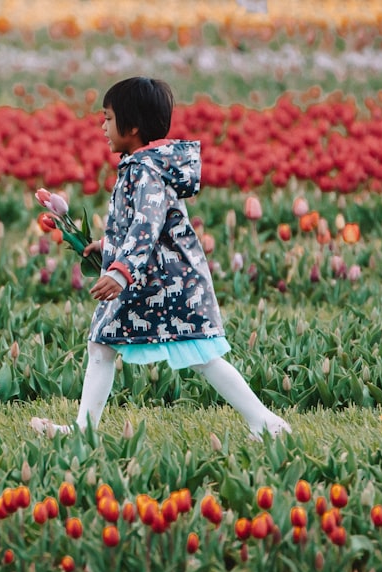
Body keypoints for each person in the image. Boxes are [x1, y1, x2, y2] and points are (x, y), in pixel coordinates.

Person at [31, 77, 290, 439]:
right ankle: (82, 429)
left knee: (200, 355)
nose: (101, 126)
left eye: (107, 118)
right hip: (154, 278)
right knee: (103, 343)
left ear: (132, 126)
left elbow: (147, 226)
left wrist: (119, 272)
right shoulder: (141, 166)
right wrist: (107, 247)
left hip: (165, 284)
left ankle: (266, 421)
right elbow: (141, 224)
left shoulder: (144, 170)